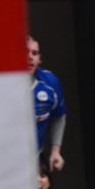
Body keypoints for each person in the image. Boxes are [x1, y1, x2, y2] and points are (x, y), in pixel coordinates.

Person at [28, 36, 66, 170]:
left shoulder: (50, 82)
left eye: (34, 53)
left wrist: (56, 150)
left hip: (35, 158)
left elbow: (59, 116)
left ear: (40, 59)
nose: (30, 57)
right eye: (24, 52)